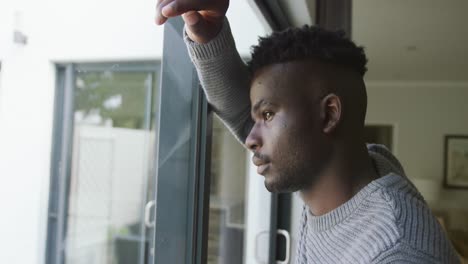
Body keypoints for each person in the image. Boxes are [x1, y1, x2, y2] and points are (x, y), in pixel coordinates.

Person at [155, 0, 460, 263]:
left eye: (268, 115)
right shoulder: (366, 169)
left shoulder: (396, 253)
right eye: (259, 117)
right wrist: (209, 34)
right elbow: (247, 117)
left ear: (329, 115)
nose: (250, 138)